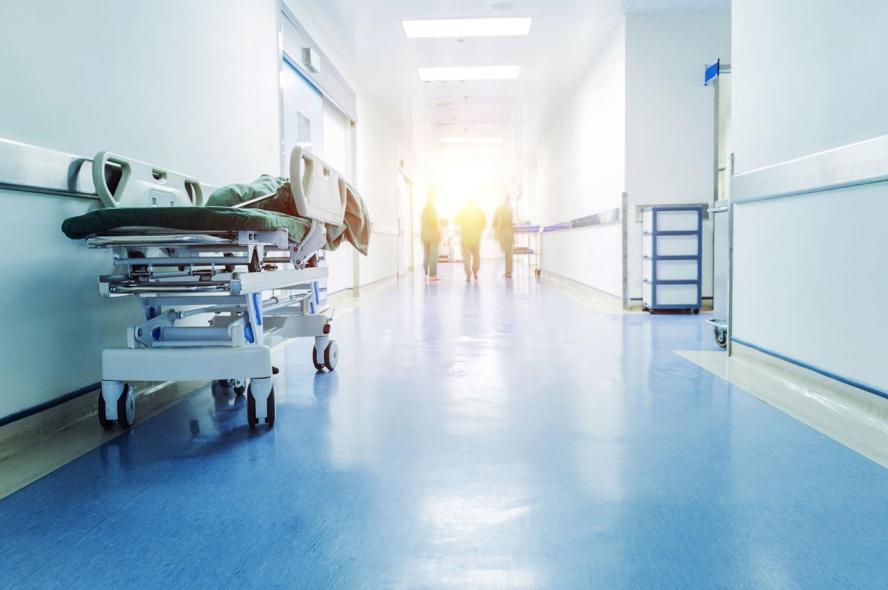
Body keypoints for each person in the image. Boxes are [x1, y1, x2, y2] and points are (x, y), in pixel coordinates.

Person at [454, 199, 486, 282]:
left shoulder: (463, 211)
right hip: (475, 238)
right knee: (476, 256)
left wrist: (463, 223)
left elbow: (456, 220)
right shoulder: (480, 211)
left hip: (465, 238)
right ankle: (475, 272)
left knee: (466, 258)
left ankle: (468, 275)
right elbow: (484, 224)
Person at [420, 193, 441, 282]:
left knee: (426, 256)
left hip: (425, 236)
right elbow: (434, 221)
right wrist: (439, 231)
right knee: (433, 256)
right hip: (432, 236)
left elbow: (422, 221)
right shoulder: (431, 208)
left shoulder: (424, 210)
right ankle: (433, 275)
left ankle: (425, 274)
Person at [493, 197, 515, 279]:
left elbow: (494, 222)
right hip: (508, 233)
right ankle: (508, 272)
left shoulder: (499, 209)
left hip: (501, 234)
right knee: (508, 253)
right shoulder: (509, 209)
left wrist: (496, 233)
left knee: (506, 253)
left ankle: (507, 272)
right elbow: (510, 221)